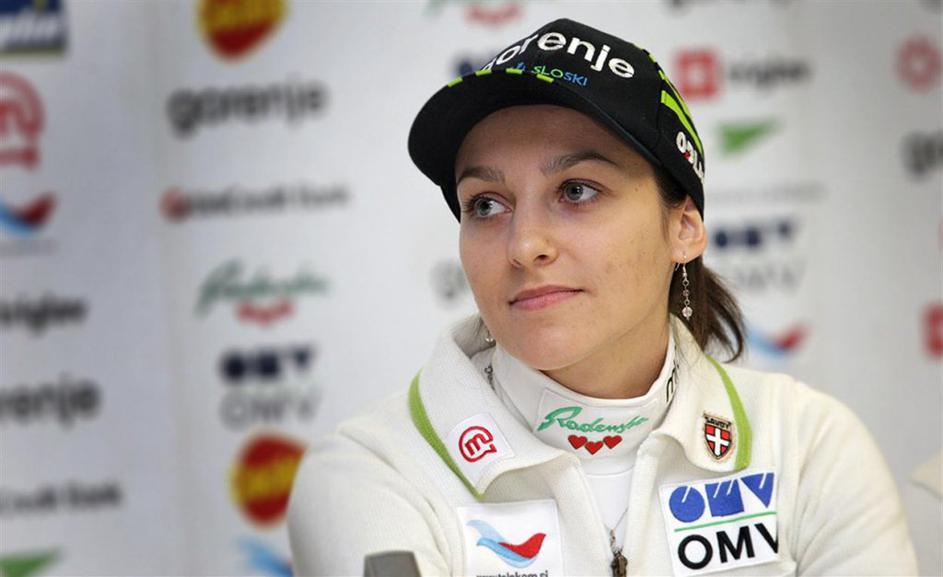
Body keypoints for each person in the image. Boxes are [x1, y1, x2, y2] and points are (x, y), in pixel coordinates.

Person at [288, 18, 917, 577]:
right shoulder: (375, 470)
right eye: (485, 204)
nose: (524, 245)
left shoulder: (806, 447)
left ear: (684, 227)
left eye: (577, 191)